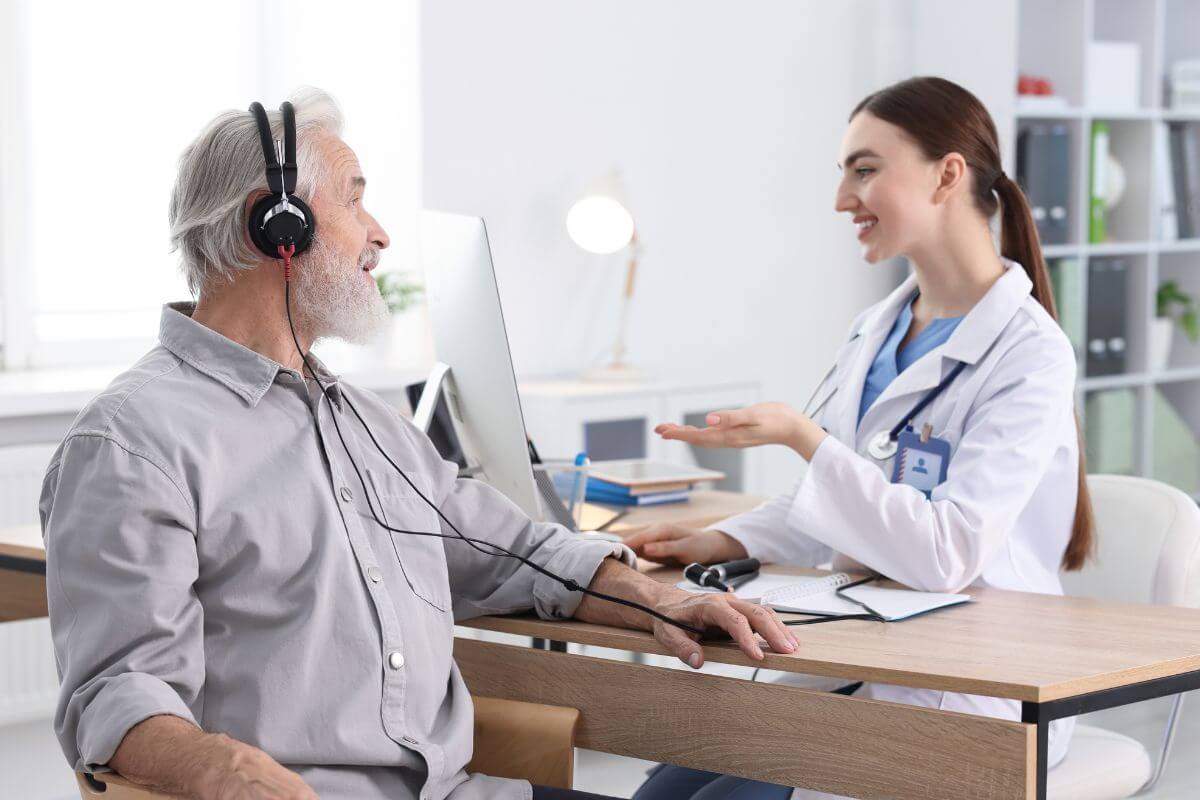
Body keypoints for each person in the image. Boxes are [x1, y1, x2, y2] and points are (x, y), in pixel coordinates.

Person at [38, 88, 798, 800]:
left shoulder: (367, 421)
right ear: (277, 226)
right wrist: (221, 768)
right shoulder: (132, 443)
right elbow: (116, 691)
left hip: (460, 790)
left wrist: (658, 597)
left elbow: (508, 549)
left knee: (761, 766)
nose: (380, 233)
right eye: (356, 198)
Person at [627, 76, 1093, 800]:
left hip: (972, 686)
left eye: (865, 169)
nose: (843, 199)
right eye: (844, 172)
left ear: (947, 175)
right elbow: (845, 500)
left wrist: (804, 438)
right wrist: (719, 540)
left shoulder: (1030, 353)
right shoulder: (876, 330)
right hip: (867, 652)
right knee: (664, 788)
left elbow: (945, 552)